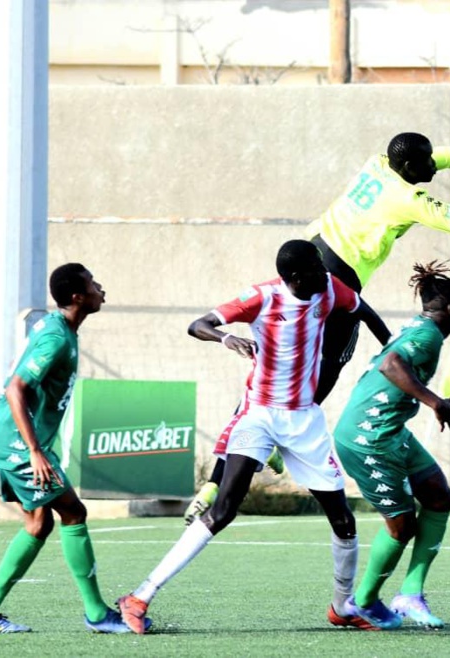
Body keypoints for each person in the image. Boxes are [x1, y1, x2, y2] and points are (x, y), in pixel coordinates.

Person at [185, 112, 450, 522]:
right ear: (407, 168)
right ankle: (277, 442)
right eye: (425, 165)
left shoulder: (378, 163)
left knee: (272, 373)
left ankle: (214, 483)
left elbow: (439, 156)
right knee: (323, 370)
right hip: (332, 281)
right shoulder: (406, 199)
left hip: (308, 257)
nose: (433, 168)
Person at [117, 239, 391, 634]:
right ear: (294, 278)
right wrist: (225, 338)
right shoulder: (261, 297)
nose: (324, 275)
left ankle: (341, 606)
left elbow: (365, 312)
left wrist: (392, 353)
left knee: (343, 521)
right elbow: (198, 325)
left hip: (304, 422)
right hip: (258, 415)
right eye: (315, 270)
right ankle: (139, 596)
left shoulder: (330, 288)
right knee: (224, 509)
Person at [0, 263, 149, 634]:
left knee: (38, 524)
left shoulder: (62, 328)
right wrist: (35, 451)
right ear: (77, 297)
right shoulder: (56, 337)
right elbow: (14, 388)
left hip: (13, 438)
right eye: (93, 284)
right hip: (16, 441)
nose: (102, 288)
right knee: (73, 511)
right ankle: (97, 614)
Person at [331, 261, 450, 630]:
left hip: (390, 432)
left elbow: (425, 329)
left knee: (439, 496)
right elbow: (390, 364)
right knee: (402, 527)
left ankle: (410, 594)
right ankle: (362, 602)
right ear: (449, 310)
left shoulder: (424, 326)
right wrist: (435, 401)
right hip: (369, 439)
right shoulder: (426, 337)